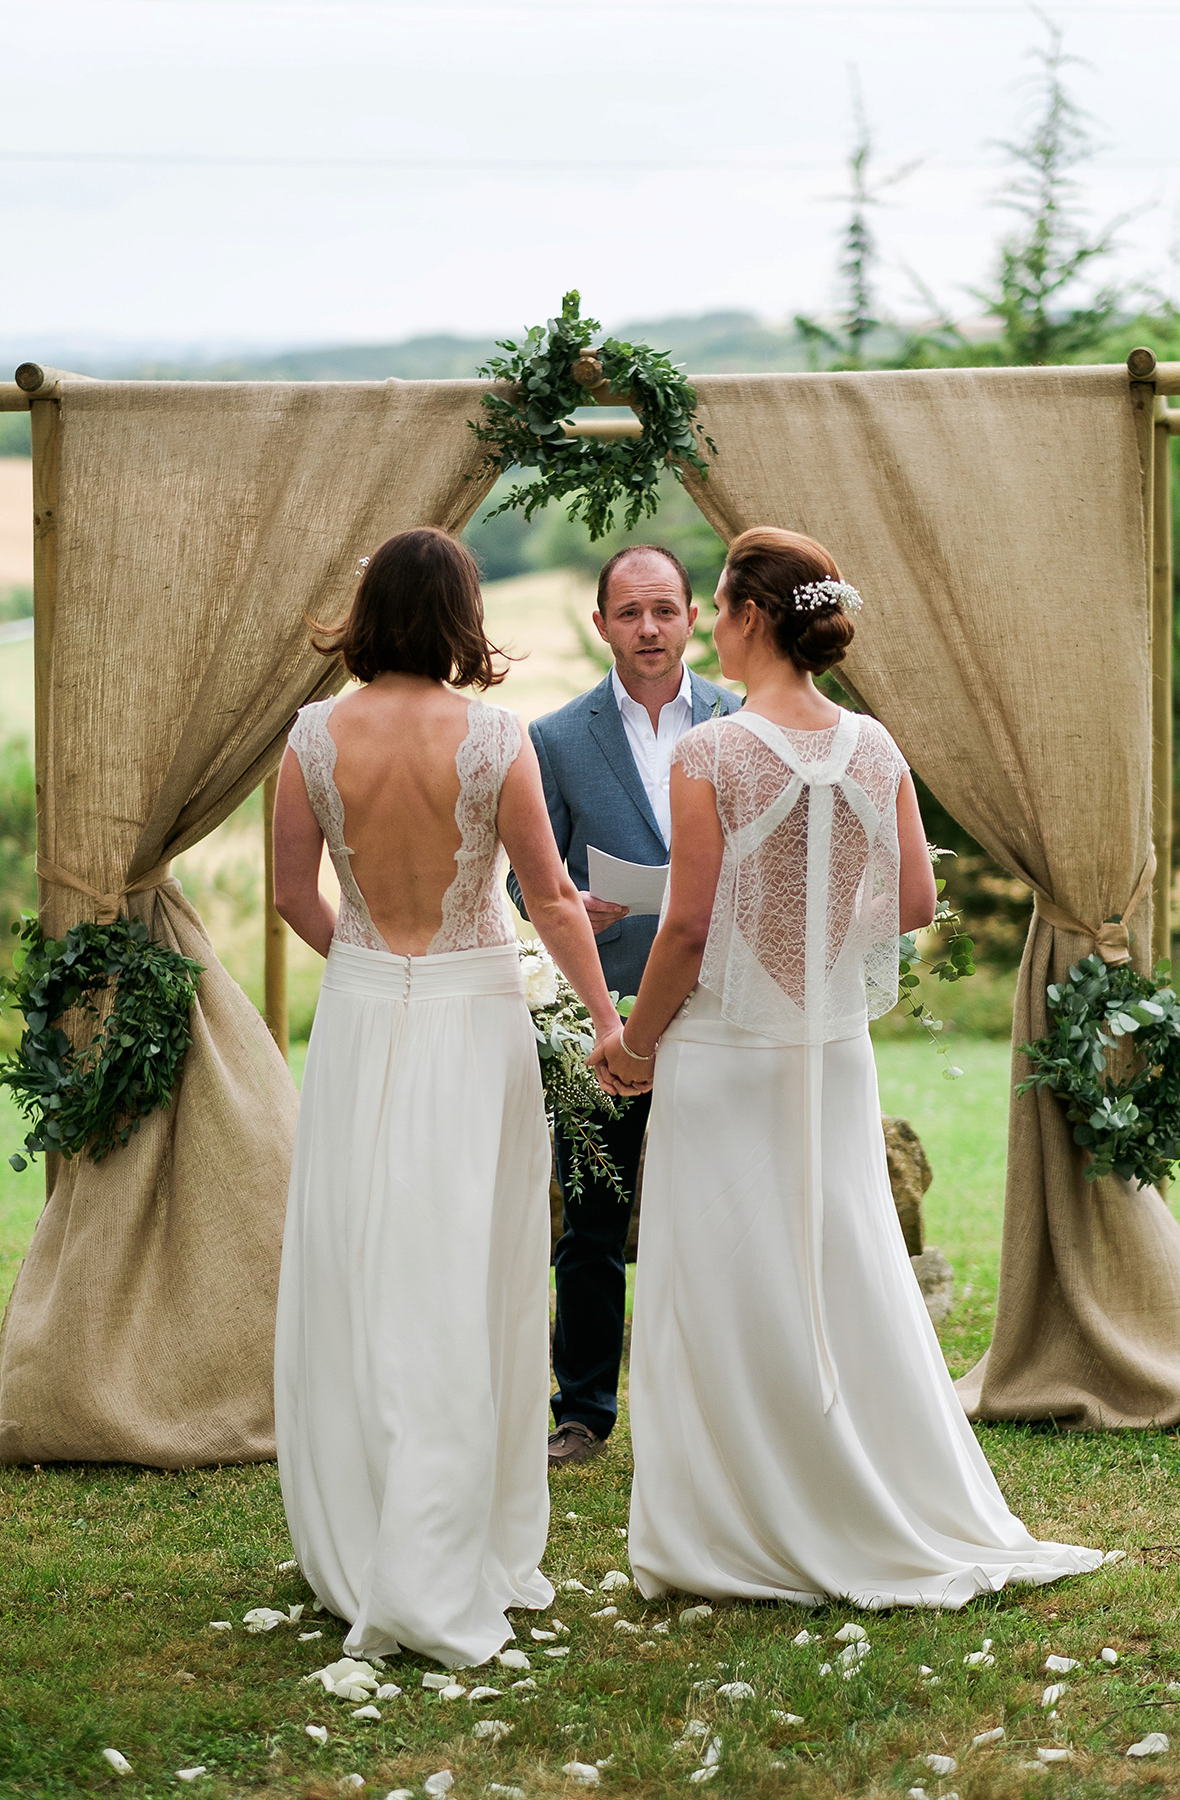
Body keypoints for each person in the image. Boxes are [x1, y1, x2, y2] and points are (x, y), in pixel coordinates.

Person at [597, 526, 1102, 1609]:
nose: (709, 628)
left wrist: (634, 1047)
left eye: (718, 608)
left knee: (727, 1281)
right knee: (842, 1264)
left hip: (729, 1056)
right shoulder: (875, 746)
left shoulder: (710, 756)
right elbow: (916, 901)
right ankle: (862, 1488)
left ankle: (738, 1521)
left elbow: (684, 931)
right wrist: (813, 938)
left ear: (747, 618)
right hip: (829, 1053)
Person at [271, 527, 635, 1669]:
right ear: (461, 617)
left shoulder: (312, 739)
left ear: (368, 614)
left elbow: (292, 895)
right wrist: (611, 1026)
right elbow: (557, 902)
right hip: (477, 1020)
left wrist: (373, 967)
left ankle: (370, 1532)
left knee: (365, 1263)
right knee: (472, 1266)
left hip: (366, 1012)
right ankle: (452, 1539)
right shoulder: (494, 737)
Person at [507, 544, 739, 1466]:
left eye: (665, 611)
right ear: (600, 624)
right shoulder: (555, 740)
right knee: (594, 1217)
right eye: (629, 613)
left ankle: (719, 1402)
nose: (649, 629)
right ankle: (585, 1412)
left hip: (721, 1005)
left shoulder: (741, 719)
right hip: (605, 1012)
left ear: (693, 619)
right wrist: (568, 898)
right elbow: (527, 884)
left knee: (723, 1207)